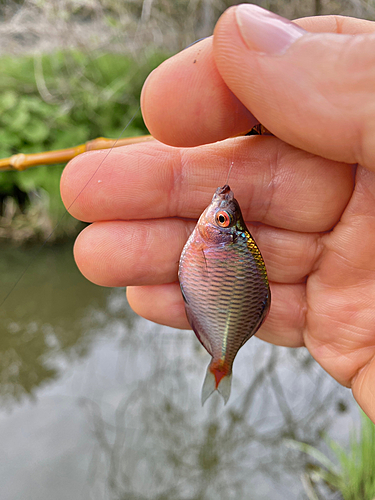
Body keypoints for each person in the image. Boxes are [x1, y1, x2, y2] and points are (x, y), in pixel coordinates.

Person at [60, 4, 375, 423]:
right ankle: (221, 362)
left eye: (222, 219)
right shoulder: (219, 242)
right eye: (224, 218)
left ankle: (220, 362)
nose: (218, 210)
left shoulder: (218, 243)